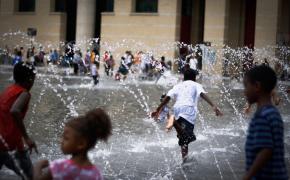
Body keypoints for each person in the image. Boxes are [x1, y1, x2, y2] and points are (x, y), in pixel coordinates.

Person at [151, 69, 222, 160]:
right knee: (188, 137)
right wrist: (214, 106)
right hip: (188, 110)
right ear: (194, 78)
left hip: (177, 109)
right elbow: (203, 94)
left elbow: (167, 98)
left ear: (184, 78)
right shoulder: (196, 85)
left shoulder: (178, 85)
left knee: (183, 139)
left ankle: (184, 158)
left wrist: (157, 110)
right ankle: (174, 121)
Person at [33, 108, 112, 180]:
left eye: (66, 138)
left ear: (81, 144)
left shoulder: (60, 167)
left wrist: (38, 166)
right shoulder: (96, 174)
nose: (61, 141)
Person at [243, 65, 288, 180]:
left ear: (257, 86)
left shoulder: (263, 116)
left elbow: (266, 150)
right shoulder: (272, 113)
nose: (244, 91)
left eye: (246, 86)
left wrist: (247, 176)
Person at [0, 62, 37, 179]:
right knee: (31, 177)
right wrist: (26, 137)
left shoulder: (8, 90)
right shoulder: (24, 93)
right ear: (30, 79)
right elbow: (15, 110)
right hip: (11, 144)